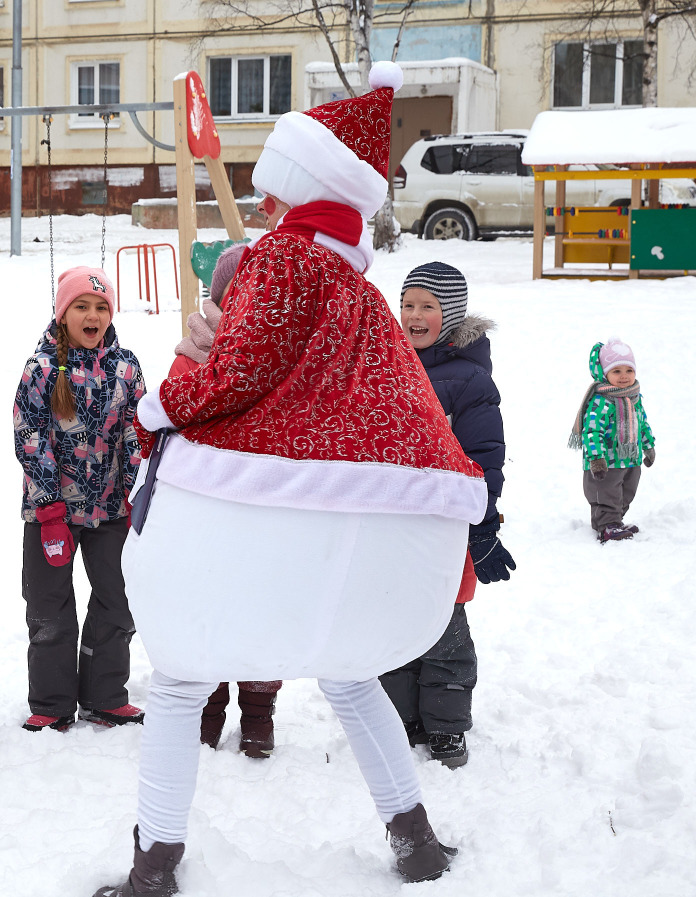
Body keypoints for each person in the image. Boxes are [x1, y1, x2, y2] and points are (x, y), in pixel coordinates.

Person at [96, 62, 486, 896]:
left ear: (295, 183)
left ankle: (155, 863)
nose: (265, 206)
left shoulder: (279, 263)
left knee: (176, 681)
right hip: (364, 539)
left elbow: (236, 379)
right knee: (350, 674)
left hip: (263, 532)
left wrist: (165, 401)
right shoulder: (362, 295)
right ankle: (415, 840)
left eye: (273, 190)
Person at [379, 262, 515, 770]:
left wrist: (481, 524)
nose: (414, 315)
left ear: (450, 313)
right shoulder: (383, 361)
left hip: (442, 527)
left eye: (428, 307)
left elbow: (484, 456)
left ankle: (447, 728)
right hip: (388, 523)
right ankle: (403, 720)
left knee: (444, 627)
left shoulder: (469, 379)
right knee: (392, 623)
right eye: (408, 304)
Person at [13, 266, 147, 732]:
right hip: (52, 512)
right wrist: (49, 507)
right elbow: (31, 435)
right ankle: (51, 702)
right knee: (49, 607)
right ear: (63, 312)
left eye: (102, 307)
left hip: (112, 510)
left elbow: (137, 431)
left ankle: (104, 695)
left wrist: (136, 496)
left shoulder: (126, 366)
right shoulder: (42, 369)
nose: (93, 315)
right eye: (82, 306)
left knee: (117, 601)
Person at [173, 244, 284, 758]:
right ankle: (210, 706)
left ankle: (259, 714)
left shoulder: (283, 352)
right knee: (212, 612)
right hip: (209, 508)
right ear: (220, 297)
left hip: (266, 508)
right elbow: (173, 416)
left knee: (263, 614)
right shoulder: (195, 350)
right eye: (237, 293)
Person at [569, 337, 655, 542]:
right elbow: (592, 431)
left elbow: (641, 423)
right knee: (606, 494)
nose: (624, 376)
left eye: (629, 370)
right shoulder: (601, 401)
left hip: (630, 459)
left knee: (627, 492)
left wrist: (648, 446)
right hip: (606, 461)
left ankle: (614, 521)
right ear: (604, 373)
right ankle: (607, 525)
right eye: (617, 371)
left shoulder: (633, 397)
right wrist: (596, 458)